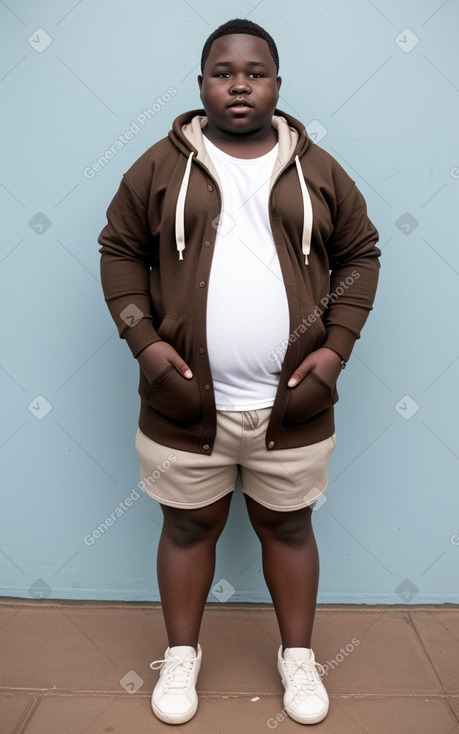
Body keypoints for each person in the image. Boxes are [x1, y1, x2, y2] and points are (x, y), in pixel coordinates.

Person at [98, 18, 380, 726]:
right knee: (188, 528)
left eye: (254, 72)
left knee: (287, 530)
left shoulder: (316, 167)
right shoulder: (161, 165)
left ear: (277, 85)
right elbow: (119, 249)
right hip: (181, 403)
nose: (239, 83)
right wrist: (145, 345)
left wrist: (335, 347)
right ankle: (182, 659)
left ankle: (298, 661)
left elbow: (361, 253)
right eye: (223, 71)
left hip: (294, 406)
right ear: (201, 84)